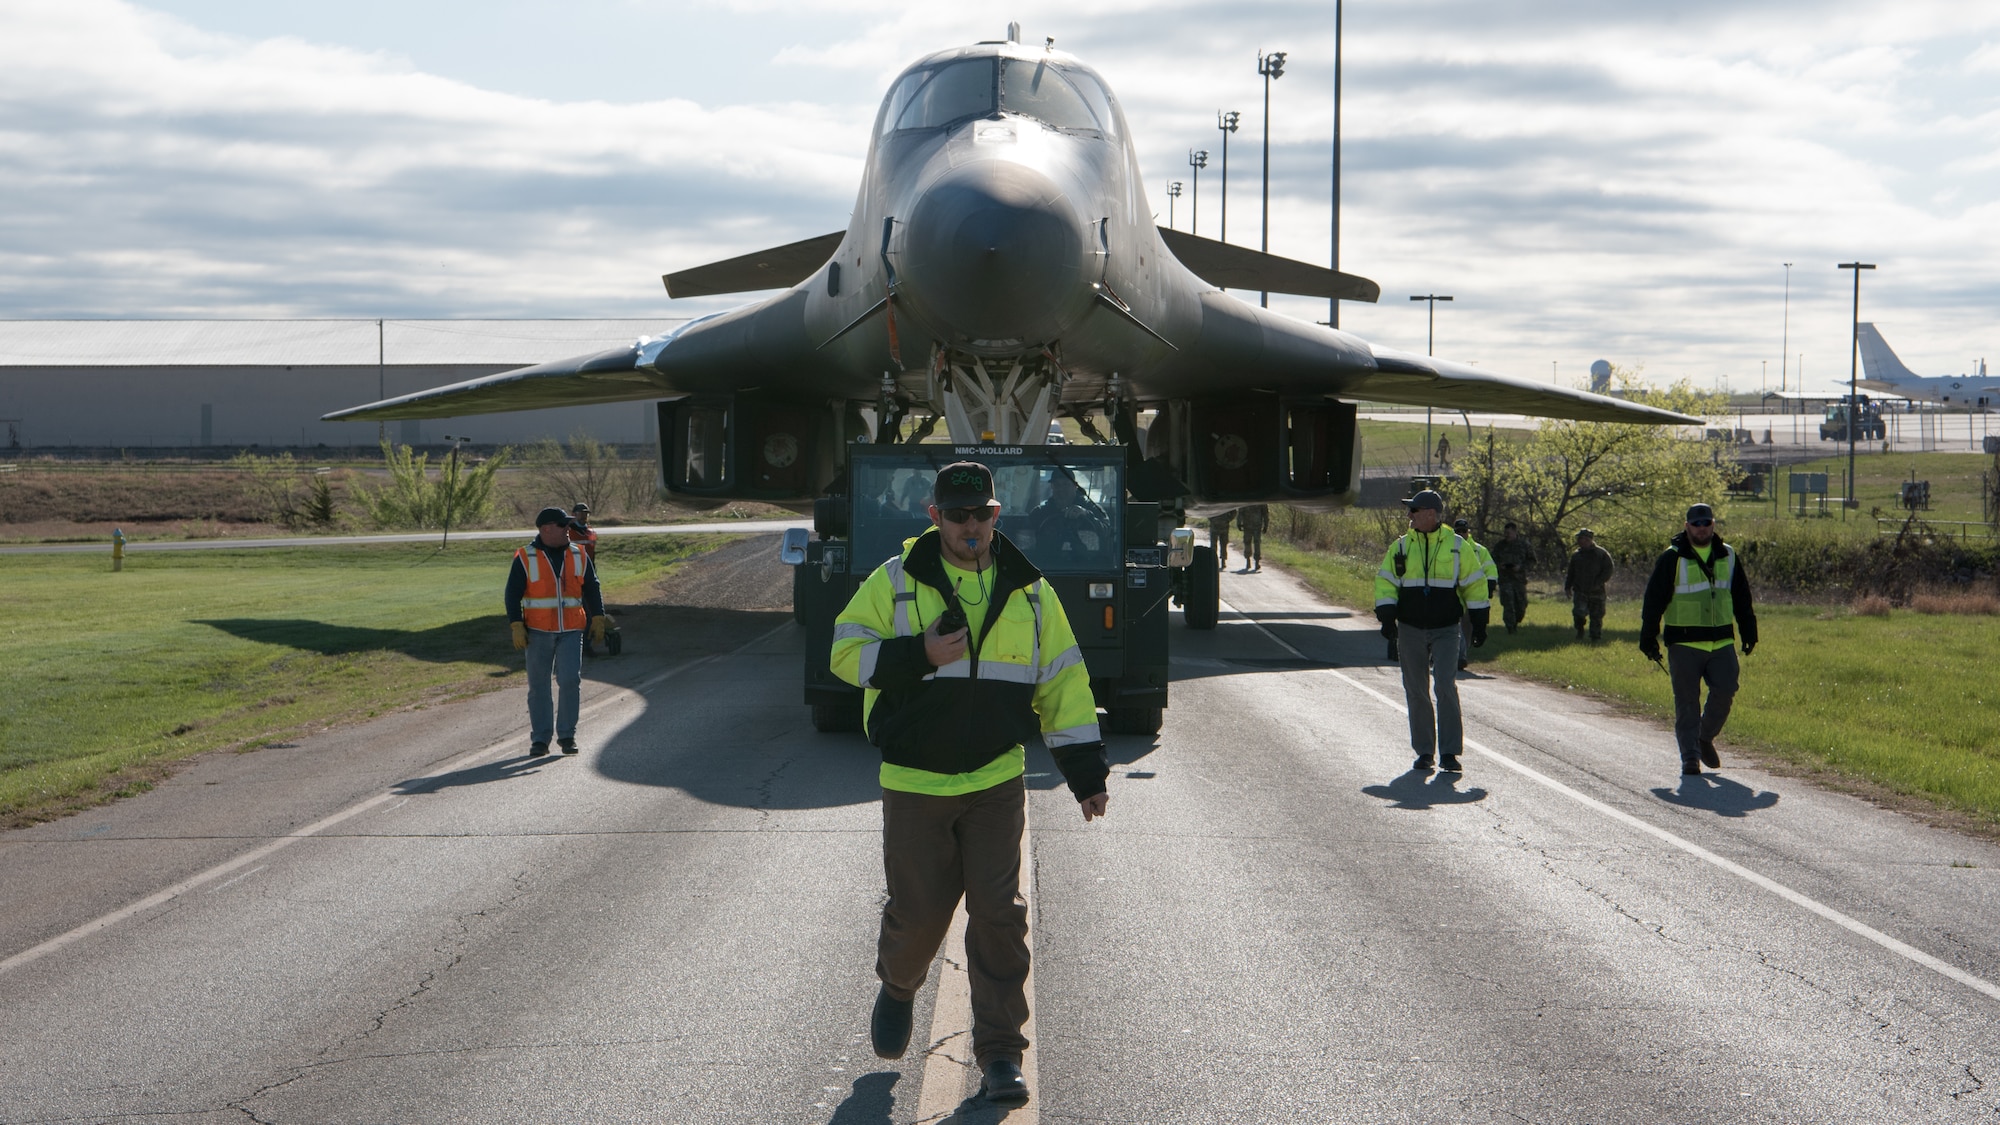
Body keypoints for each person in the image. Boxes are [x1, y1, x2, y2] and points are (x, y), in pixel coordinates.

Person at [829, 461, 1109, 1109]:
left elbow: (1063, 683)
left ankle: (1002, 1052)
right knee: (919, 916)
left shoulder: (1030, 592)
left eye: (981, 514)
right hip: (914, 779)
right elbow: (842, 653)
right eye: (957, 516)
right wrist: (915, 655)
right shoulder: (895, 582)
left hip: (994, 779)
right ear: (935, 517)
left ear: (996, 515)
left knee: (998, 916)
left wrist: (1086, 772)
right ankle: (899, 985)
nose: (970, 526)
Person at [1639, 503, 1759, 776]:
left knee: (1726, 689)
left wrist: (1748, 630)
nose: (1702, 528)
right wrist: (1648, 636)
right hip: (1684, 644)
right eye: (1696, 524)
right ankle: (1690, 757)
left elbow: (1741, 596)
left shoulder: (1728, 555)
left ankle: (1704, 737)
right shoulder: (1672, 558)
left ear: (1713, 525)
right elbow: (1654, 600)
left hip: (1721, 642)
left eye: (1706, 523)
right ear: (1687, 526)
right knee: (1687, 702)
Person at [1374, 490, 1490, 773]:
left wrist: (1480, 622)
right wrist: (1387, 618)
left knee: (1445, 687)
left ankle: (1450, 753)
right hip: (1411, 628)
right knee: (1416, 690)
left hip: (1447, 629)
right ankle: (1425, 752)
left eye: (1413, 510)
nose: (1409, 515)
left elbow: (1475, 584)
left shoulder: (1457, 546)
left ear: (1430, 514)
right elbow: (1386, 582)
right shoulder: (1400, 547)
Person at [506, 507, 606, 757]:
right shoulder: (525, 557)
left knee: (570, 681)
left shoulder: (579, 553)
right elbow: (512, 594)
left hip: (572, 630)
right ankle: (540, 739)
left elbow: (592, 587)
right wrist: (516, 624)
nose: (568, 530)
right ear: (546, 529)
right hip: (538, 633)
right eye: (563, 526)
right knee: (539, 686)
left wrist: (599, 617)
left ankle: (567, 736)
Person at [1023, 473, 1110, 558]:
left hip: (1089, 565)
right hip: (1049, 565)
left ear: (1075, 486)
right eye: (1057, 485)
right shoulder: (1040, 513)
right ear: (1052, 487)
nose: (1061, 489)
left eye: (1066, 484)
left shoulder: (1093, 509)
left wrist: (1086, 514)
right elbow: (1026, 541)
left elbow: (1107, 531)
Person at [1452, 518, 1498, 671]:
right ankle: (1459, 656)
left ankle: (1461, 654)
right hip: (1455, 596)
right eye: (1457, 531)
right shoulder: (1450, 548)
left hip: (1473, 598)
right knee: (1454, 627)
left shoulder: (1479, 550)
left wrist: (1490, 586)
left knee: (1467, 628)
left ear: (1468, 532)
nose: (1461, 534)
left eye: (1463, 531)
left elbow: (1490, 569)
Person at [1563, 528, 1614, 641]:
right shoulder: (1576, 555)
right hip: (1580, 591)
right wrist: (1567, 587)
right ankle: (1580, 630)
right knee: (1578, 613)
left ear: (1588, 540)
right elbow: (1571, 572)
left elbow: (1608, 570)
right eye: (1579, 539)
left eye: (1581, 539)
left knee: (1596, 616)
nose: (1580, 541)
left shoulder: (1601, 554)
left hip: (1597, 592)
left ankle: (1595, 638)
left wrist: (1598, 582)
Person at [1488, 521, 1537, 633]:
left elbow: (1532, 561)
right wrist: (1499, 566)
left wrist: (1520, 567)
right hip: (1505, 580)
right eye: (1505, 533)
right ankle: (1510, 627)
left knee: (1521, 605)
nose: (1507, 535)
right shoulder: (1499, 546)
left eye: (1509, 533)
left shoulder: (1524, 545)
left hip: (1519, 580)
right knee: (1508, 604)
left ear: (1515, 532)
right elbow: (1491, 560)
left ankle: (1516, 621)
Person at [568, 502, 603, 655]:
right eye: (580, 513)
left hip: (587, 577)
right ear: (574, 514)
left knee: (588, 612)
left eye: (586, 514)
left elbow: (593, 555)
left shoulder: (590, 532)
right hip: (572, 577)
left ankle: (585, 645)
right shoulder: (568, 532)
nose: (583, 517)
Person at [1236, 503, 1268, 572]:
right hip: (1256, 525)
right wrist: (1266, 525)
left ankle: (1249, 561)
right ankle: (1255, 562)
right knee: (1256, 543)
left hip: (1248, 525)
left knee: (1248, 542)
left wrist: (1239, 522)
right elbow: (1265, 514)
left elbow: (1240, 512)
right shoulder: (1261, 500)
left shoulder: (1247, 498)